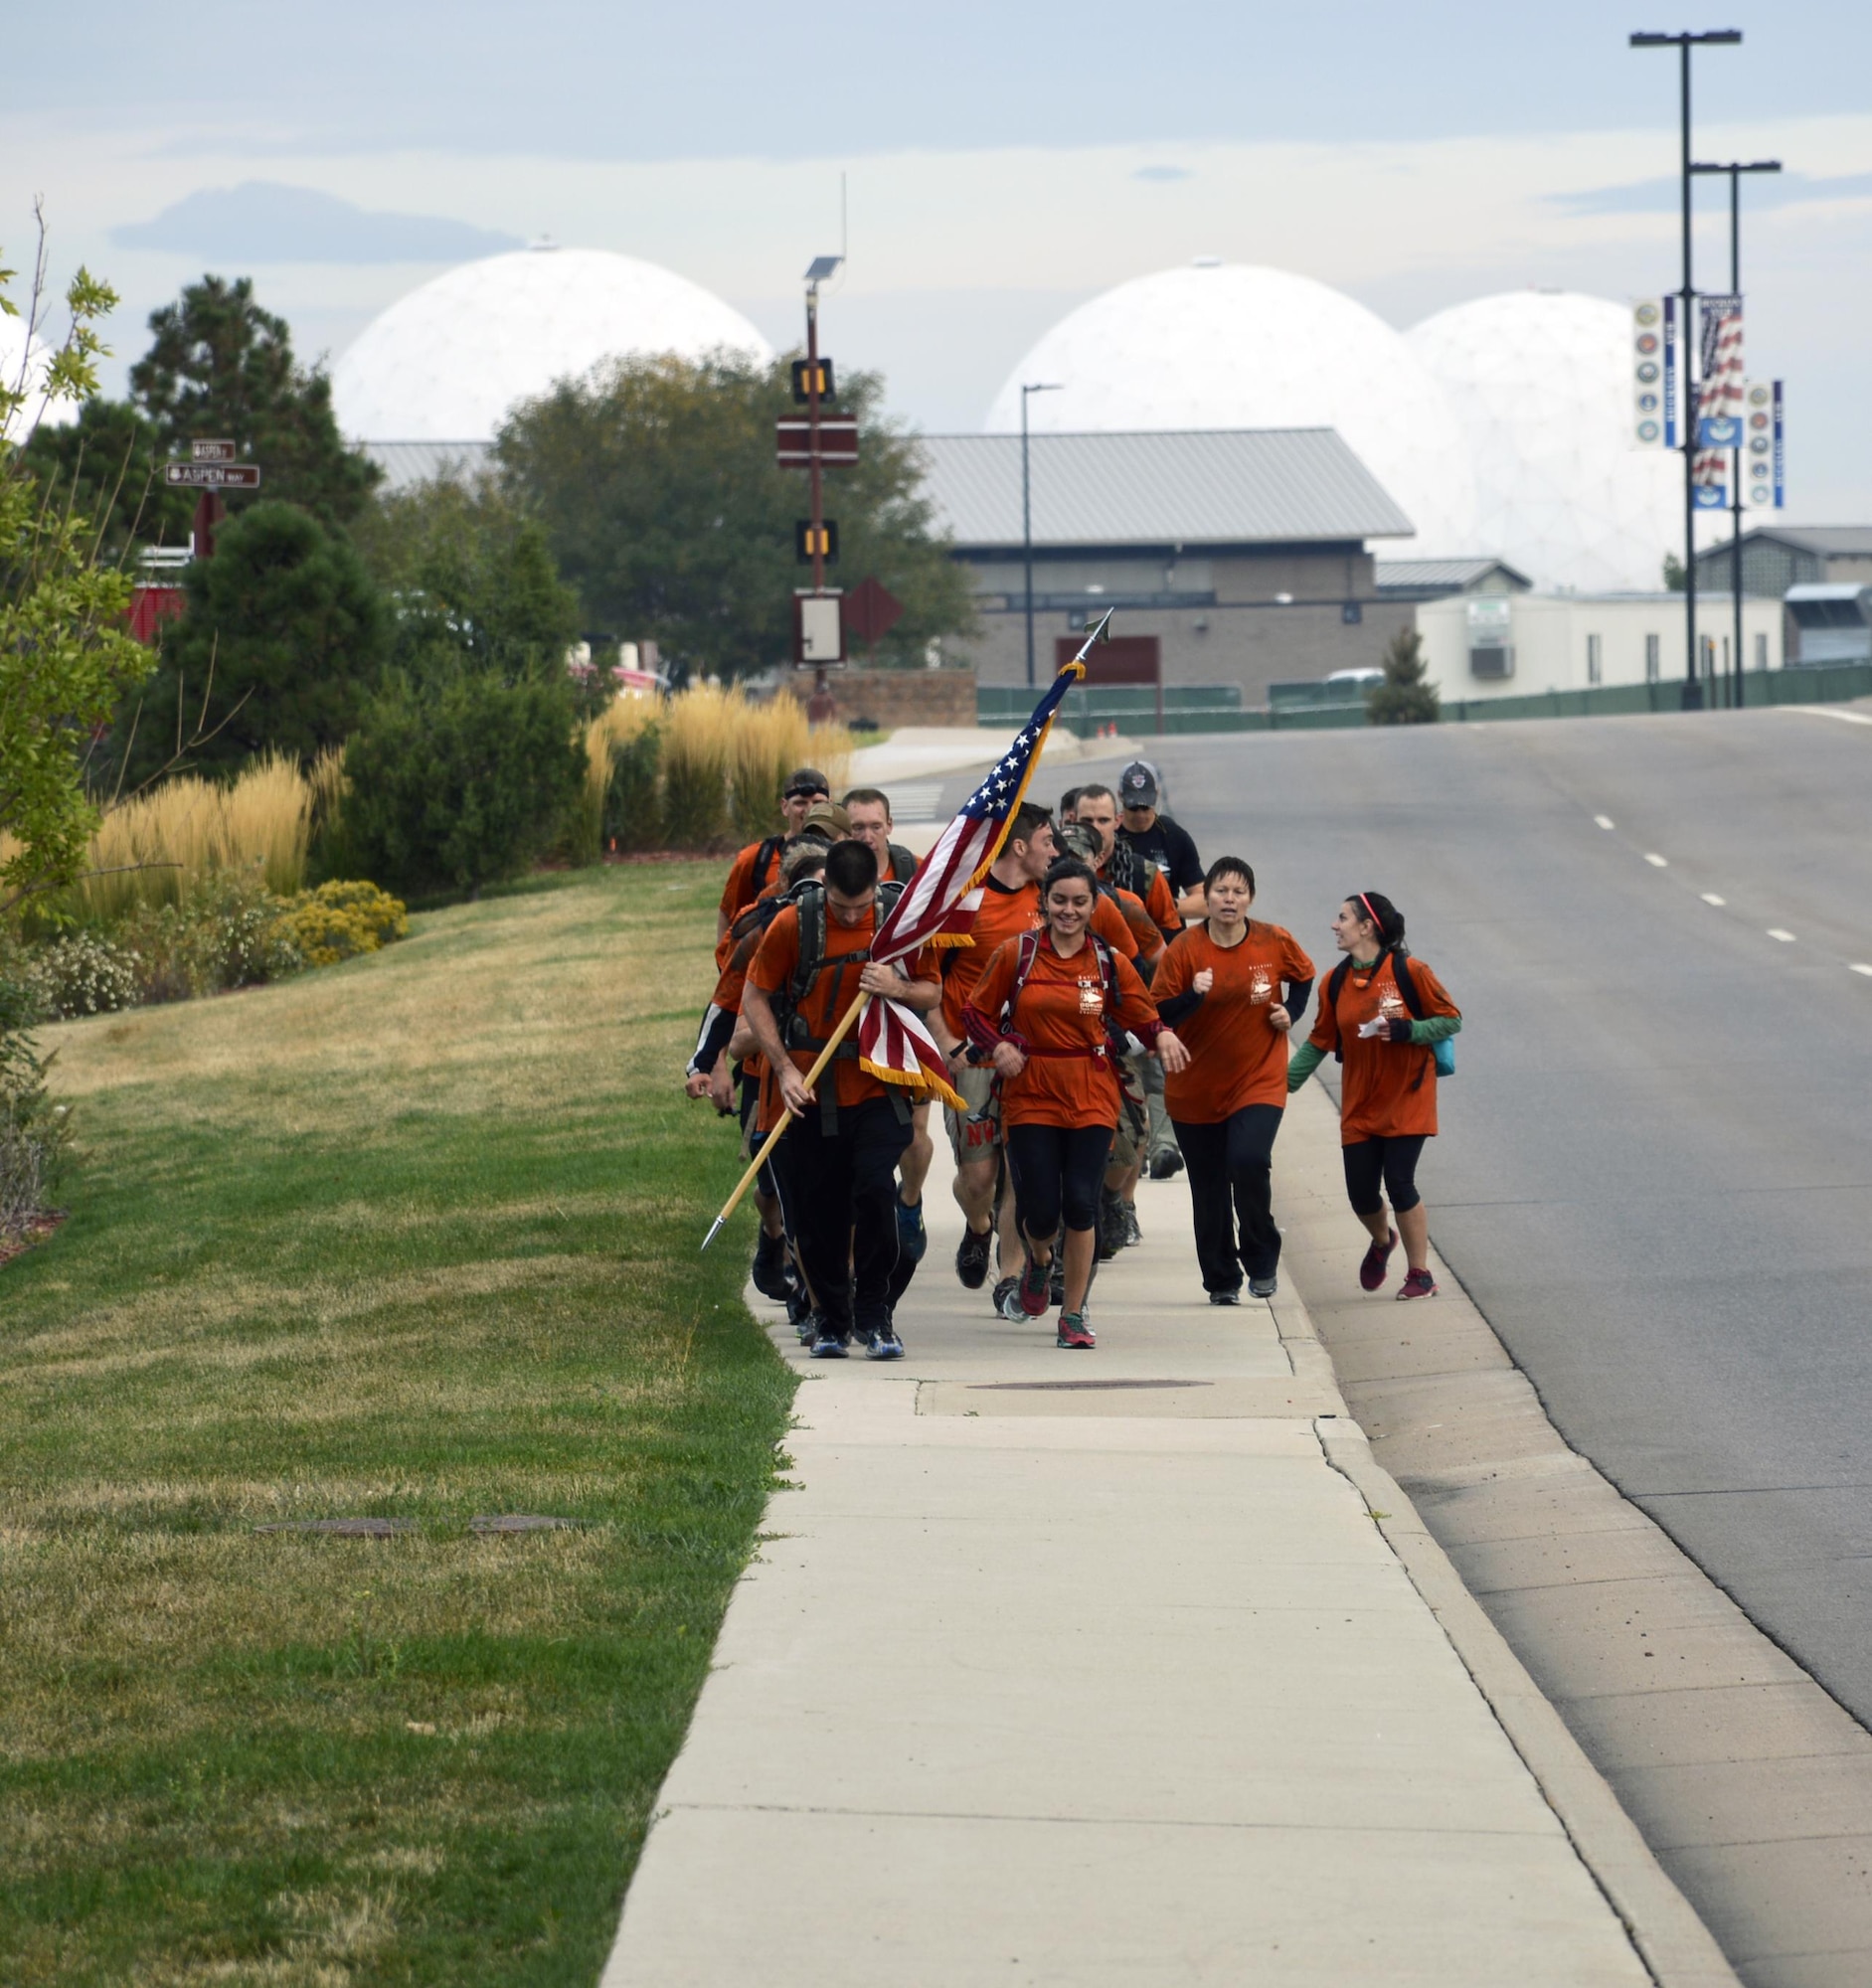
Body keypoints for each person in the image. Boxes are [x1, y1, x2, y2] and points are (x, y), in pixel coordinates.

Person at [963, 855, 1189, 1349]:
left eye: (1079, 902)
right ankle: (1040, 1264)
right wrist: (999, 1046)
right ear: (1044, 901)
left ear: (1093, 905)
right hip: (1030, 1095)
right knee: (1041, 1211)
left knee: (1081, 1206)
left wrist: (1164, 1035)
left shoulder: (1108, 961)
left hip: (1091, 1092)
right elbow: (974, 1014)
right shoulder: (1016, 953)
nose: (1068, 910)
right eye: (1059, 900)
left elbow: (1143, 1015)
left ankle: (1074, 1314)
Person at [742, 839, 941, 1358]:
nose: (852, 913)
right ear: (825, 885)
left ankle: (875, 1316)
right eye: (841, 905)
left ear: (877, 885)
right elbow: (754, 995)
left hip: (878, 1085)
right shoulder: (795, 924)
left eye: (861, 904)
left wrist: (897, 988)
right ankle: (831, 1320)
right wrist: (783, 1068)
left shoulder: (898, 923)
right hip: (808, 1090)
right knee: (817, 1215)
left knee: (874, 1193)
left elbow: (932, 992)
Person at [1152, 858, 1314, 1303]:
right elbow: (1159, 1014)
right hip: (1195, 1088)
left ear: (1250, 899)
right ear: (1206, 898)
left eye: (1238, 892)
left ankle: (1261, 1257)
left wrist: (1291, 1012)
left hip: (1257, 1080)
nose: (1229, 899)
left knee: (1247, 1160)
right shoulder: (1186, 949)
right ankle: (1222, 1279)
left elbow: (1303, 978)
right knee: (1209, 1189)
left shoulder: (1273, 940)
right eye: (1221, 891)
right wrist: (1194, 994)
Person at [1285, 892, 1461, 1301]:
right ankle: (1383, 1240)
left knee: (1400, 1182)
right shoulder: (1335, 982)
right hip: (1360, 1103)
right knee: (1361, 1193)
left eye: (1343, 917)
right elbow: (1319, 1041)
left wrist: (1410, 1031)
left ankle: (1420, 1274)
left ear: (1367, 927)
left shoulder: (1410, 972)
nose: (1335, 924)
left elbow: (1451, 1019)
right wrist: (1280, 1085)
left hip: (1408, 1096)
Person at [1076, 781, 1186, 1187]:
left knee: (1137, 1107)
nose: (1095, 827)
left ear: (1117, 823)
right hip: (1070, 1020)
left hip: (1132, 1012)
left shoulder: (1139, 880)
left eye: (1103, 820)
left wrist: (1159, 1016)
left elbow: (1166, 952)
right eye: (1086, 820)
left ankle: (1128, 1198)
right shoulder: (1048, 878)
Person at [841, 786, 931, 1263]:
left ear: (890, 827)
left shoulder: (913, 875)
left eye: (876, 826)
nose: (868, 835)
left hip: (907, 1017)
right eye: (858, 827)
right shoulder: (834, 875)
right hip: (848, 1030)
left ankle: (910, 1203)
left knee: (914, 1135)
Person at [716, 765, 829, 940]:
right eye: (800, 803)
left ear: (829, 807)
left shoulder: (842, 856)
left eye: (817, 803)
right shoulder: (755, 859)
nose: (809, 810)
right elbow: (728, 914)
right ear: (784, 807)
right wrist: (726, 965)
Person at [1115, 760, 1206, 916]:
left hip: (1167, 933)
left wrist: (1165, 906)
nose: (1140, 814)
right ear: (1120, 796)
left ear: (1156, 794)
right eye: (1133, 807)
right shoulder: (1110, 835)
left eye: (1146, 807)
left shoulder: (1174, 836)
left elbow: (1205, 901)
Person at [842, 788, 919, 884]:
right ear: (843, 828)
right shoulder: (831, 874)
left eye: (876, 827)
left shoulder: (917, 870)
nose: (867, 838)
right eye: (858, 828)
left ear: (889, 825)